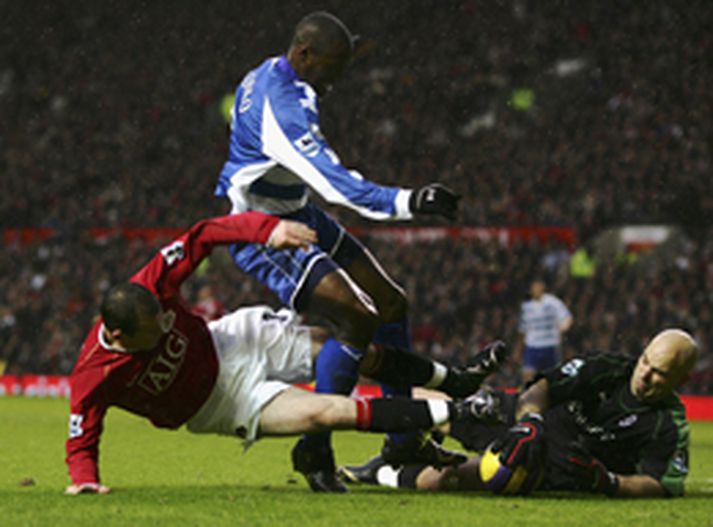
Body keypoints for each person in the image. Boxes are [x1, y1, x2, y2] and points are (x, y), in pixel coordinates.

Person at [214, 11, 499, 491]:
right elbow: (338, 186)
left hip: (295, 212)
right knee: (356, 318)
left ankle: (404, 441)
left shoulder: (280, 71)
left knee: (390, 304)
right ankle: (314, 446)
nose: (338, 78)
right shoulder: (281, 108)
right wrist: (410, 200)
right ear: (304, 55)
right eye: (333, 65)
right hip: (261, 228)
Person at [63, 211, 495, 495]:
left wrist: (266, 229)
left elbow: (205, 234)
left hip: (232, 341)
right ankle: (461, 411)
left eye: (163, 320)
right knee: (327, 412)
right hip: (219, 406)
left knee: (349, 350)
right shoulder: (94, 373)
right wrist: (85, 481)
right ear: (117, 335)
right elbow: (81, 437)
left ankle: (451, 379)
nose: (162, 331)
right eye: (151, 334)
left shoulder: (151, 282)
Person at [341, 329, 698, 498]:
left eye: (659, 373)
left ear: (680, 379)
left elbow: (660, 486)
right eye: (645, 361)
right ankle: (393, 437)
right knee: (433, 404)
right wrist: (530, 422)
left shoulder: (668, 426)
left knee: (441, 481)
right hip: (530, 423)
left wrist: (607, 482)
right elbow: (540, 390)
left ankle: (381, 472)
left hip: (551, 464)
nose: (645, 374)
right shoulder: (605, 367)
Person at [513, 278, 573, 384]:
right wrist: (518, 349)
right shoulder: (526, 307)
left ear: (542, 287)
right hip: (532, 346)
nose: (535, 289)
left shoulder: (552, 302)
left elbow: (567, 318)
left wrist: (562, 328)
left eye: (537, 286)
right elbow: (523, 330)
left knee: (552, 377)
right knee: (528, 375)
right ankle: (529, 398)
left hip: (550, 345)